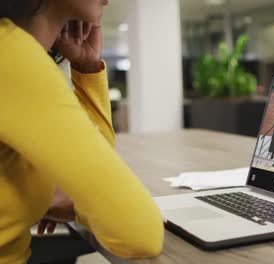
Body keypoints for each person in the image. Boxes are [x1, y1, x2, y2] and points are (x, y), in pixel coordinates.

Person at [0, 1, 164, 263]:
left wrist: (87, 68)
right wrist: (78, 204)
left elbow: (95, 171)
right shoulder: (10, 54)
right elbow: (139, 233)